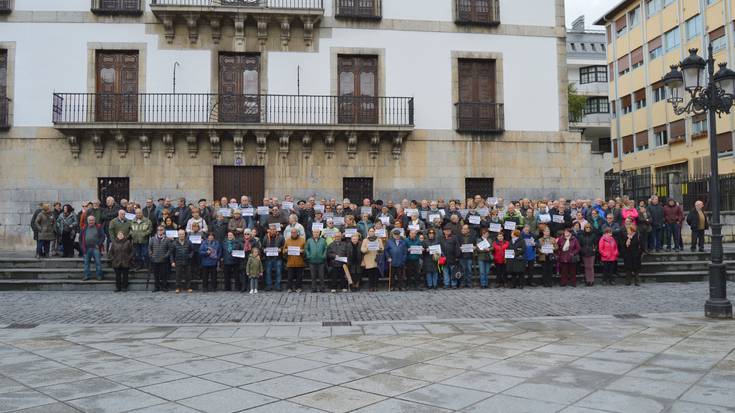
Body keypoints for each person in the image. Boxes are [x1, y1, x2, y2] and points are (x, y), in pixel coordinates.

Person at [80, 215, 105, 281]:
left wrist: (99, 244)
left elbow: (103, 236)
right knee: (86, 263)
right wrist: (82, 246)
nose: (91, 221)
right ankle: (86, 275)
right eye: (90, 220)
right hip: (87, 248)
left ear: (94, 220)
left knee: (98, 262)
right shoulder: (84, 227)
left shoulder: (98, 227)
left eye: (92, 220)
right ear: (87, 221)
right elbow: (80, 238)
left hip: (95, 248)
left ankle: (99, 276)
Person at [149, 225, 172, 292]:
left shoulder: (167, 239)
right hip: (155, 259)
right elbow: (149, 248)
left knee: (164, 274)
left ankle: (164, 287)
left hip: (164, 260)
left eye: (161, 230)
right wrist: (151, 255)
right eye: (159, 230)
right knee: (156, 275)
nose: (160, 231)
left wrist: (166, 256)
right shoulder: (152, 239)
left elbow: (170, 249)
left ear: (164, 230)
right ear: (157, 231)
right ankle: (156, 287)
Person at [262, 225, 285, 291]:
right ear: (269, 230)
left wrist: (280, 249)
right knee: (268, 272)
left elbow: (284, 246)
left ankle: (278, 285)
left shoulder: (281, 237)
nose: (272, 231)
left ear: (276, 230)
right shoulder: (266, 237)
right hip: (268, 258)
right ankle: (269, 285)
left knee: (278, 272)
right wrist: (264, 250)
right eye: (271, 229)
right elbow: (263, 246)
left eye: (274, 229)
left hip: (278, 258)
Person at [283, 228, 306, 293]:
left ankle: (298, 287)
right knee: (290, 277)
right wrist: (285, 251)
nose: (293, 233)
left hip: (299, 261)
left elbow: (306, 250)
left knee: (299, 277)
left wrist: (303, 251)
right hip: (290, 261)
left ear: (297, 233)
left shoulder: (302, 240)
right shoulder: (287, 240)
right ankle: (289, 288)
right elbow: (284, 250)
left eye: (295, 232)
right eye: (292, 232)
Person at [171, 229, 194, 293]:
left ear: (185, 234)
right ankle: (178, 288)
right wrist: (172, 262)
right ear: (178, 235)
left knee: (188, 275)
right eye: (180, 234)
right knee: (178, 275)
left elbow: (192, 250)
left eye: (183, 234)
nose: (181, 235)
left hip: (187, 261)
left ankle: (188, 287)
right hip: (178, 261)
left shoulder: (188, 242)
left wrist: (190, 256)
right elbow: (171, 253)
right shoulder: (174, 243)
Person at [306, 228, 328, 292]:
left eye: (317, 232)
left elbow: (326, 249)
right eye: (314, 232)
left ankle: (322, 288)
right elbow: (306, 249)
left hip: (321, 261)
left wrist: (324, 256)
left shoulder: (323, 240)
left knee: (321, 276)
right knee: (313, 276)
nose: (316, 233)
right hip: (312, 261)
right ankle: (314, 288)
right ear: (312, 233)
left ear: (319, 233)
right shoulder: (309, 240)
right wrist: (308, 255)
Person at [457, 224, 476, 289]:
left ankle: (469, 283)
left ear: (468, 230)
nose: (463, 230)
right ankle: (462, 283)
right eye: (462, 229)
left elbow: (476, 245)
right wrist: (458, 248)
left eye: (465, 229)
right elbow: (456, 245)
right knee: (462, 270)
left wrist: (474, 247)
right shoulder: (458, 236)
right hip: (461, 256)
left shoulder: (472, 237)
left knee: (469, 270)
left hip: (469, 256)